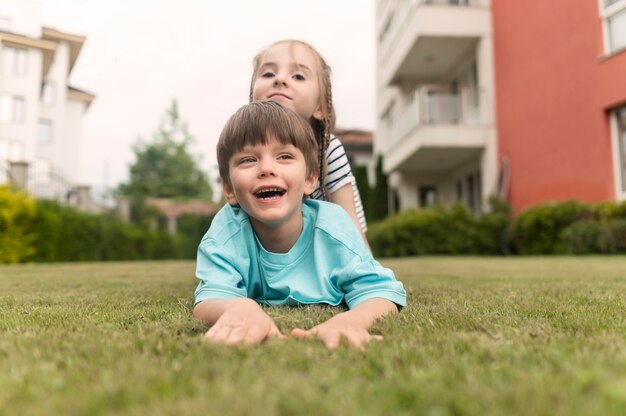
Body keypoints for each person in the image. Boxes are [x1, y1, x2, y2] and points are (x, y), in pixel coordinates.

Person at [193, 101, 406, 350]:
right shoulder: (224, 233)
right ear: (229, 189)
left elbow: (381, 291)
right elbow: (208, 297)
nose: (266, 169)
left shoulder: (334, 230)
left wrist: (352, 320)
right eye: (248, 160)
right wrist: (238, 307)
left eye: (284, 156)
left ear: (310, 180)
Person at [249, 39, 369, 244]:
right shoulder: (244, 148)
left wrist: (367, 272)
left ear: (320, 107)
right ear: (252, 97)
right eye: (268, 73)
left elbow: (350, 224)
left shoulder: (327, 149)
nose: (279, 79)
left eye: (298, 76)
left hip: (325, 241)